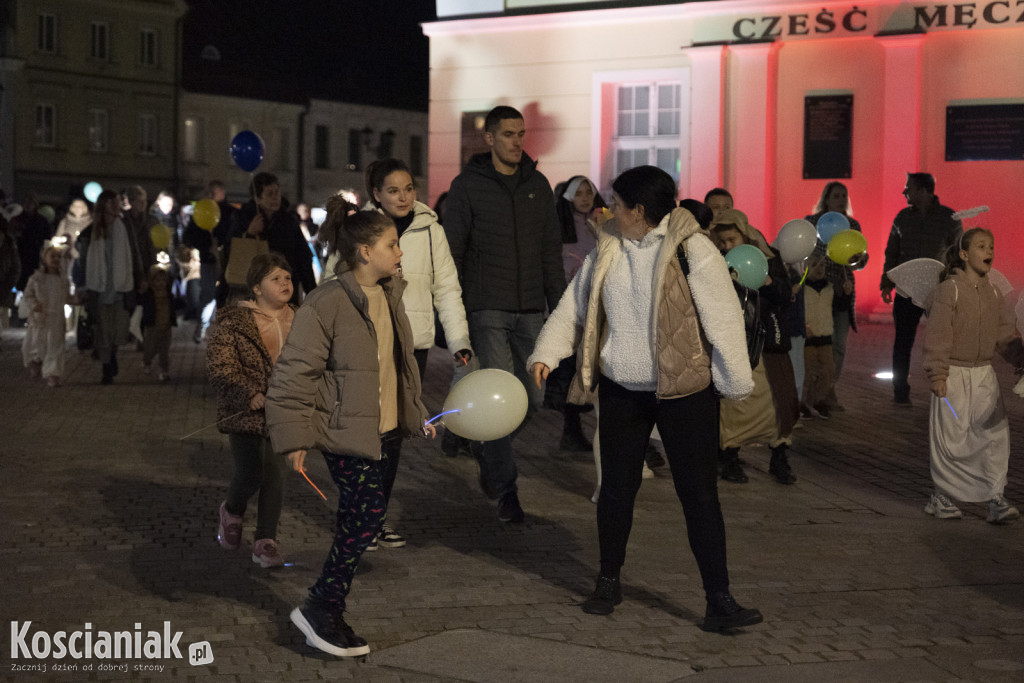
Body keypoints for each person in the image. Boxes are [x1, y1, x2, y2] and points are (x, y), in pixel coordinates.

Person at [528, 166, 762, 631]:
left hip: (684, 390)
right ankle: (608, 580)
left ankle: (719, 599)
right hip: (622, 389)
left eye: (616, 203)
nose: (607, 209)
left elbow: (723, 319)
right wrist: (548, 353)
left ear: (640, 210)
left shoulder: (694, 251)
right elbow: (575, 305)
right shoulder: (609, 246)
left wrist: (733, 381)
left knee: (698, 494)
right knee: (616, 489)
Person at [266, 204, 434, 658]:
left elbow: (397, 368)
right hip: (343, 431)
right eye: (391, 245)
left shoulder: (390, 293)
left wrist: (413, 414)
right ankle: (322, 604)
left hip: (381, 431)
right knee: (365, 515)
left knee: (358, 518)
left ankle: (326, 606)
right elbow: (294, 372)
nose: (400, 252)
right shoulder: (328, 301)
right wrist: (295, 436)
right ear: (365, 251)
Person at [323, 157, 472, 549]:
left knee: (393, 435)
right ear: (377, 194)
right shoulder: (360, 228)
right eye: (393, 190)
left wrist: (459, 342)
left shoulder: (430, 229)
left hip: (413, 345)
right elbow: (330, 282)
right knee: (366, 430)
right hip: (367, 341)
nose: (404, 197)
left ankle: (375, 518)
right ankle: (359, 515)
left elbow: (448, 289)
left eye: (409, 188)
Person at [444, 105, 566, 523]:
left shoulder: (538, 185)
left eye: (521, 134)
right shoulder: (467, 187)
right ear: (490, 138)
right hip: (487, 308)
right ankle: (505, 488)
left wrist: (561, 307)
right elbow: (452, 253)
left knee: (532, 397)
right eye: (509, 134)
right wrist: (455, 312)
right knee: (500, 397)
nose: (518, 142)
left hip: (532, 307)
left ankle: (480, 440)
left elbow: (551, 251)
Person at [922, 228, 1023, 522]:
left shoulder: (993, 292)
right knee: (952, 438)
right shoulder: (949, 290)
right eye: (981, 246)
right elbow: (938, 336)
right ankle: (941, 495)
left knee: (994, 436)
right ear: (964, 255)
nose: (988, 251)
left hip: (983, 376)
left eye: (991, 246)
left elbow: (1003, 334)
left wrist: (1020, 357)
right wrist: (937, 374)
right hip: (953, 374)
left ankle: (995, 498)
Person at [207, 252, 296, 568]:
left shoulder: (298, 319)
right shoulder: (234, 321)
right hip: (244, 413)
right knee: (251, 472)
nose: (285, 283)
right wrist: (248, 393)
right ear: (257, 288)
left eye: (287, 277)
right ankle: (231, 509)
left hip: (282, 412)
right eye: (276, 278)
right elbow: (221, 366)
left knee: (275, 474)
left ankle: (265, 541)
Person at [709, 209, 798, 485]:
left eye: (731, 239)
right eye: (722, 241)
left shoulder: (767, 258)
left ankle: (780, 455)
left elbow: (785, 295)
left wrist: (768, 282)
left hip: (770, 342)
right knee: (737, 405)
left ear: (744, 234)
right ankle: (730, 456)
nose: (726, 246)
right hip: (736, 343)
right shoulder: (714, 263)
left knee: (779, 402)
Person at [880, 173, 962, 405]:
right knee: (903, 341)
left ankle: (947, 387)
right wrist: (887, 281)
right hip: (907, 289)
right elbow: (891, 251)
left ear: (925, 190)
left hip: (939, 289)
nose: (905, 193)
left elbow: (957, 254)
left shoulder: (949, 218)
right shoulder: (902, 218)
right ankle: (900, 391)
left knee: (944, 340)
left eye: (909, 188)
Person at [547, 175, 606, 452]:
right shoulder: (559, 227)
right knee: (571, 369)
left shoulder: (600, 224)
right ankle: (571, 429)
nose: (585, 198)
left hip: (597, 306)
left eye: (589, 192)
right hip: (570, 307)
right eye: (579, 193)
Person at [805, 181, 868, 410]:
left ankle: (828, 390)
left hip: (842, 291)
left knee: (838, 345)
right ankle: (811, 393)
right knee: (817, 345)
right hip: (817, 292)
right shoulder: (812, 222)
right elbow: (803, 253)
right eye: (836, 195)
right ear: (826, 198)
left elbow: (860, 259)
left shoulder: (852, 225)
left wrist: (859, 260)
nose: (841, 199)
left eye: (844, 195)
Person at [230, 172, 316, 305]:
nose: (275, 197)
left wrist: (311, 293)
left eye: (277, 192)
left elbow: (302, 257)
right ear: (257, 198)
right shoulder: (243, 217)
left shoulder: (288, 221)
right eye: (270, 194)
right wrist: (249, 233)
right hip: (255, 291)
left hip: (284, 288)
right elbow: (233, 250)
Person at [76, 190, 134, 384]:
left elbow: (133, 253)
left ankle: (112, 357)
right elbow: (82, 261)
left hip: (119, 286)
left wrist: (139, 276)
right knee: (103, 331)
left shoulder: (123, 226)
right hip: (98, 288)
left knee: (118, 330)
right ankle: (106, 368)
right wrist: (81, 286)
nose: (114, 206)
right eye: (110, 203)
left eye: (116, 202)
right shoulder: (91, 231)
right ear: (103, 205)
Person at [21, 245, 70, 387]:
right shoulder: (37, 278)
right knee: (38, 344)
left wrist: (77, 299)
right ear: (44, 258)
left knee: (55, 347)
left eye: (58, 257)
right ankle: (36, 361)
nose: (56, 259)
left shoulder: (62, 279)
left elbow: (67, 297)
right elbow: (28, 294)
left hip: (57, 319)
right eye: (52, 256)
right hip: (40, 319)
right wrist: (34, 304)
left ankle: (53, 375)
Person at [801, 253, 835, 419]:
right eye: (814, 265)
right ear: (805, 268)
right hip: (808, 336)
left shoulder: (829, 287)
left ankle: (818, 400)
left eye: (822, 265)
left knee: (828, 371)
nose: (819, 269)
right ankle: (802, 403)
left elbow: (839, 306)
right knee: (806, 371)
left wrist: (847, 292)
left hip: (825, 335)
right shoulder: (801, 288)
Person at [140, 264, 177, 382]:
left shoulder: (169, 295)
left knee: (164, 350)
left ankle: (164, 371)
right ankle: (147, 361)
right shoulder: (148, 295)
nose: (160, 283)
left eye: (163, 280)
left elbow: (176, 305)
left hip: (166, 326)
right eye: (157, 280)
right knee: (150, 347)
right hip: (152, 326)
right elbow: (140, 301)